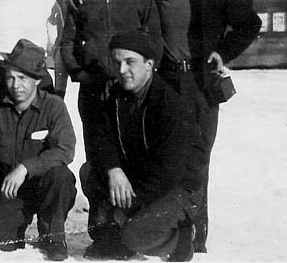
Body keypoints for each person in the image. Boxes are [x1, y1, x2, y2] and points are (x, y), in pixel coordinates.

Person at [134, 0, 262, 252]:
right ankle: (172, 231)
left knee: (198, 160)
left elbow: (251, 22)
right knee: (167, 156)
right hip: (166, 86)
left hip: (200, 87)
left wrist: (223, 51)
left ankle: (196, 237)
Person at [80, 29, 207, 261]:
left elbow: (169, 173)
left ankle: (181, 237)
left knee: (136, 236)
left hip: (178, 187)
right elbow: (100, 137)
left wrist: (128, 206)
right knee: (90, 171)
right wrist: (113, 170)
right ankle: (114, 239)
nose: (122, 70)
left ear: (149, 64)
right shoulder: (114, 95)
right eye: (117, 62)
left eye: (130, 62)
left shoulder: (170, 104)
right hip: (140, 177)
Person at [0, 39, 77, 261]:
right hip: (8, 193)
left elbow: (66, 149)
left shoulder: (53, 106)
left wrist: (26, 167)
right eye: (11, 77)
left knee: (61, 176)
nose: (16, 85)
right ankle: (15, 229)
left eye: (23, 78)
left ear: (36, 80)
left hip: (44, 187)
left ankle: (52, 236)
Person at [62, 0, 162, 169]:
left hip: (131, 90)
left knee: (134, 158)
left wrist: (140, 80)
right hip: (93, 90)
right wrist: (80, 73)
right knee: (98, 162)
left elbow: (154, 43)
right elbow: (68, 42)